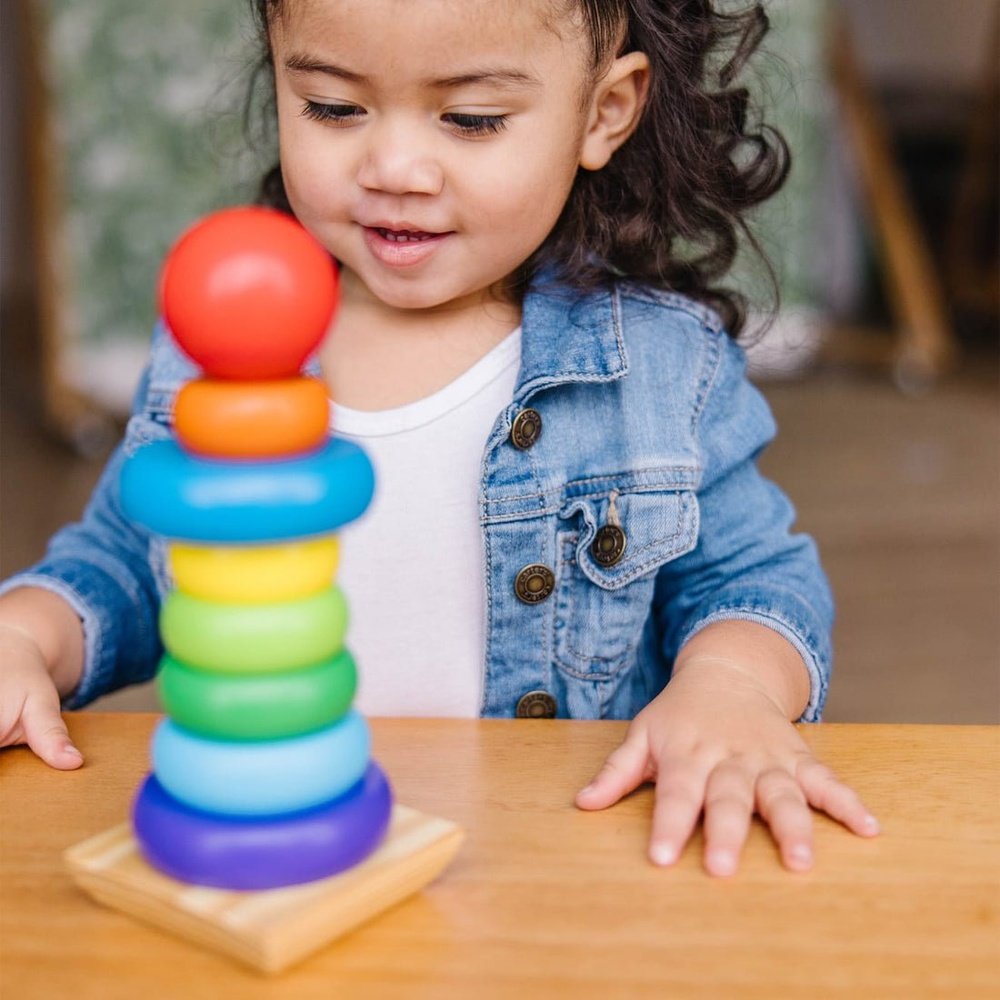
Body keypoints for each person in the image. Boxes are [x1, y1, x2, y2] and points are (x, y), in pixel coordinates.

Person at [0, 0, 879, 876]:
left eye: (471, 119)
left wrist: (729, 689)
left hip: (551, 867)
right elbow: (126, 561)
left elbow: (755, 582)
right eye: (334, 108)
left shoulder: (657, 365)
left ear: (604, 111)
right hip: (284, 863)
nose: (394, 168)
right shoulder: (218, 347)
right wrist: (26, 637)